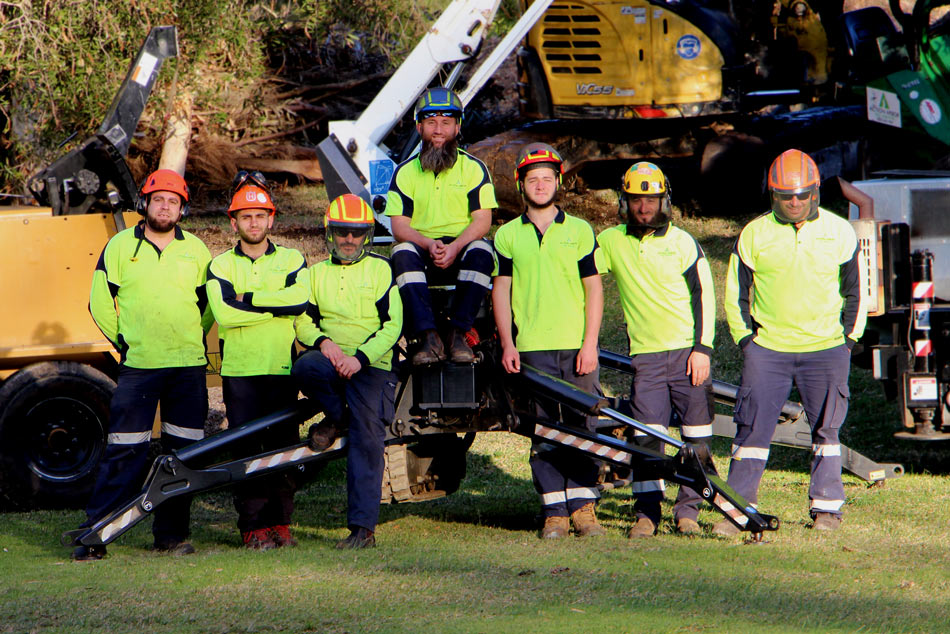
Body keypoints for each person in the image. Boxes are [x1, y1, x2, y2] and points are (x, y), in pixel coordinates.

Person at [715, 148, 866, 536]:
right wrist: (747, 340)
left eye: (801, 195)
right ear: (772, 195)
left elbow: (857, 292)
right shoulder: (754, 233)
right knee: (751, 431)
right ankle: (737, 511)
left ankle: (827, 509)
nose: (794, 202)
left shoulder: (839, 231)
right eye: (785, 196)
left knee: (826, 431)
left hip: (827, 349)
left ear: (815, 192)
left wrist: (848, 340)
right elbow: (736, 294)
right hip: (768, 351)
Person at [74, 169, 212, 560]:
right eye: (159, 199)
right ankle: (96, 536)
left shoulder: (197, 251)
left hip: (187, 369)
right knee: (125, 451)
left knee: (184, 456)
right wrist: (123, 343)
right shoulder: (119, 246)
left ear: (181, 210)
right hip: (139, 368)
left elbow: (208, 306)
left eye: (173, 201)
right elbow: (99, 301)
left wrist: (191, 338)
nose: (165, 206)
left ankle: (170, 537)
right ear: (145, 204)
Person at [492, 143, 606, 539]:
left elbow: (594, 290)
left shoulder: (579, 231)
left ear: (558, 182)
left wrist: (590, 343)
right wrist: (508, 343)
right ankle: (554, 511)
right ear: (521, 186)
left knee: (582, 425)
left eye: (546, 178)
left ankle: (584, 509)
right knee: (544, 430)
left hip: (575, 347)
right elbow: (501, 293)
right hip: (532, 348)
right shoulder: (507, 235)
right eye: (532, 179)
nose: (540, 185)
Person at [596, 162, 716, 538]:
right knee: (647, 440)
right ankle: (647, 514)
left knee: (696, 440)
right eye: (635, 200)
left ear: (664, 199)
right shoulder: (611, 241)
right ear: (624, 202)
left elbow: (705, 297)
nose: (643, 207)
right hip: (646, 360)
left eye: (650, 199)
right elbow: (581, 278)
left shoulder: (683, 242)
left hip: (687, 356)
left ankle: (688, 512)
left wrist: (703, 349)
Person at [292, 194, 403, 549]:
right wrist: (324, 343)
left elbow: (393, 325)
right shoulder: (315, 274)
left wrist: (361, 358)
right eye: (342, 233)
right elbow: (303, 322)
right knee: (304, 367)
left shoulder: (382, 269)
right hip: (332, 361)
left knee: (367, 439)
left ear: (367, 235)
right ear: (330, 233)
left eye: (356, 234)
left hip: (372, 367)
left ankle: (363, 530)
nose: (349, 240)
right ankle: (342, 417)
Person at [206, 172, 309, 550]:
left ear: (272, 219)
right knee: (247, 453)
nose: (254, 222)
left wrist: (247, 299)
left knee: (283, 449)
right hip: (240, 373)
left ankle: (280, 526)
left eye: (260, 215)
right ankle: (252, 529)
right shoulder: (219, 266)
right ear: (233, 222)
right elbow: (225, 314)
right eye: (245, 216)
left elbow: (299, 303)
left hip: (281, 370)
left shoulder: (293, 258)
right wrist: (272, 306)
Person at [385, 86, 496, 365]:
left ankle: (459, 334)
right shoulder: (405, 172)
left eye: (446, 122)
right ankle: (428, 336)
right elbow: (399, 226)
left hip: (461, 246)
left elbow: (483, 220)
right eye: (431, 122)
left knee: (482, 251)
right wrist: (428, 244)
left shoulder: (474, 168)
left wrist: (456, 246)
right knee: (401, 252)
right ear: (419, 126)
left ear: (457, 127)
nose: (438, 130)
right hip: (423, 248)